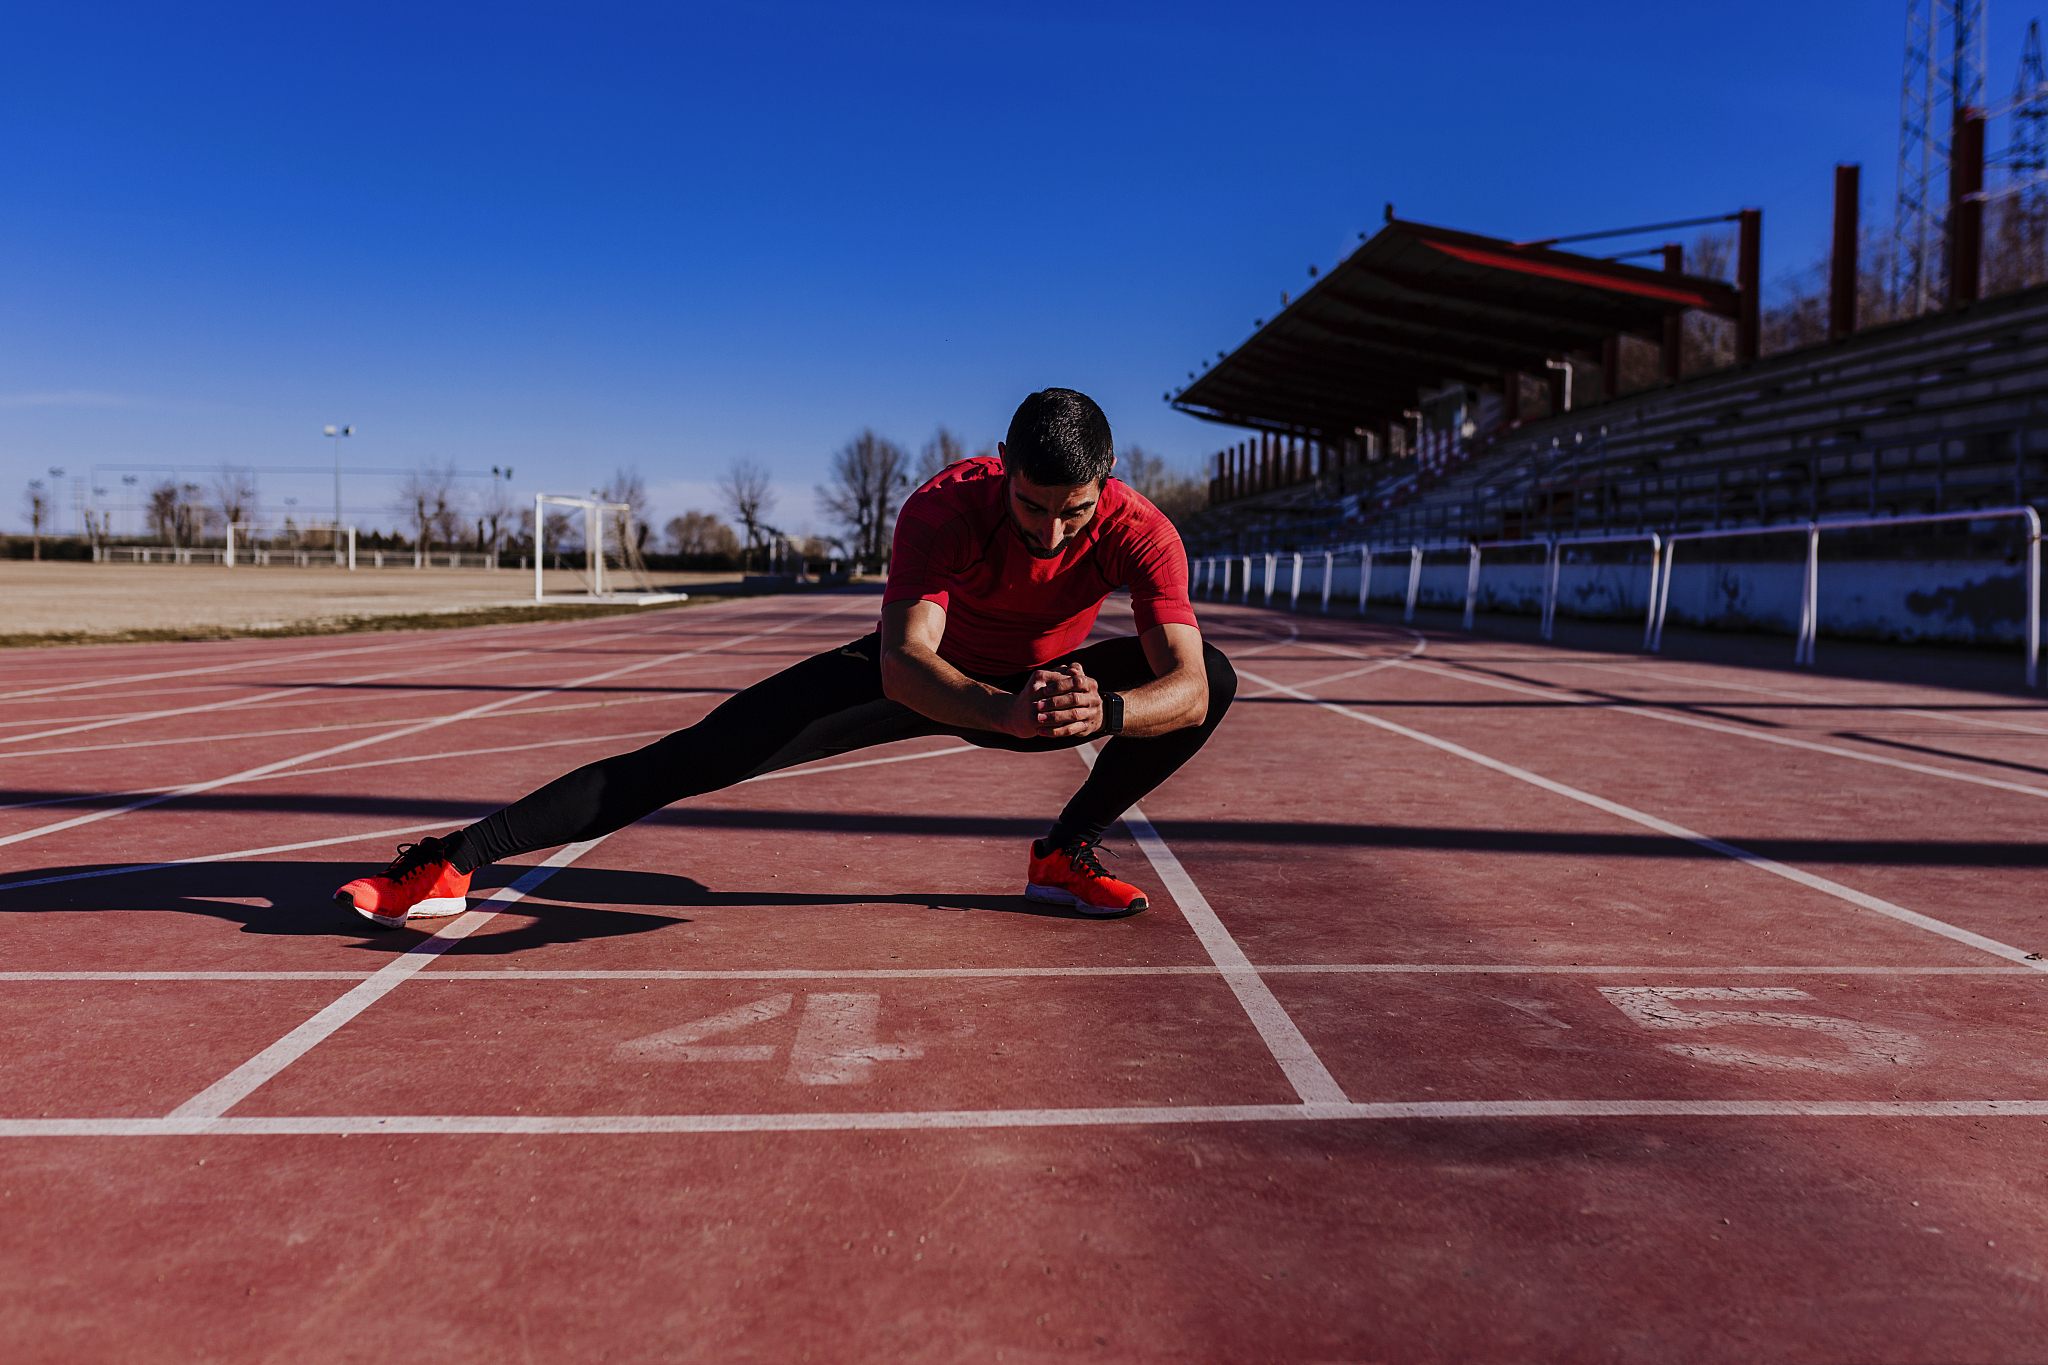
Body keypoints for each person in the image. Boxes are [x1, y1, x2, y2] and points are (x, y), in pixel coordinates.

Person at [333, 388, 1236, 925]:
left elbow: (1190, 685)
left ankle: (1063, 853)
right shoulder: (941, 510)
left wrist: (1105, 712)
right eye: (1032, 505)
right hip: (929, 677)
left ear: (1108, 481)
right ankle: (452, 861)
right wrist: (995, 710)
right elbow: (905, 661)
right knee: (689, 757)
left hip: (1044, 691)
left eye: (1073, 511)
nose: (1050, 532)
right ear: (1002, 466)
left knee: (1222, 678)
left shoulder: (1140, 531)